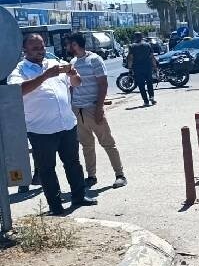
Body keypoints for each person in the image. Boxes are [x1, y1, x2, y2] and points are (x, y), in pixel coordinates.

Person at [7, 33, 97, 214]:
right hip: (41, 130)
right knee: (47, 169)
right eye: (35, 48)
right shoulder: (19, 70)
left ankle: (79, 196)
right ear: (24, 50)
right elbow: (18, 91)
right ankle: (55, 206)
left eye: (41, 47)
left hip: (66, 125)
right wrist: (45, 76)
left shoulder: (54, 63)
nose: (40, 51)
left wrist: (73, 74)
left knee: (73, 163)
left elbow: (77, 83)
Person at [66, 33, 128, 189]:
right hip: (78, 110)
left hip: (93, 108)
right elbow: (72, 87)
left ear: (77, 44)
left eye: (70, 44)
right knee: (86, 145)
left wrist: (99, 108)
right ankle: (91, 176)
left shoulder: (94, 60)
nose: (68, 47)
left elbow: (103, 84)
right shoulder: (73, 62)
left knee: (107, 143)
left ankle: (120, 175)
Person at [127, 32, 158, 106]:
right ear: (142, 37)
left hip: (137, 68)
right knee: (149, 83)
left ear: (135, 37)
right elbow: (152, 56)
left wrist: (130, 68)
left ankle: (146, 101)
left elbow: (130, 58)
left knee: (141, 85)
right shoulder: (147, 45)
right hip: (147, 67)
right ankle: (152, 98)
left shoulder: (132, 46)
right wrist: (155, 66)